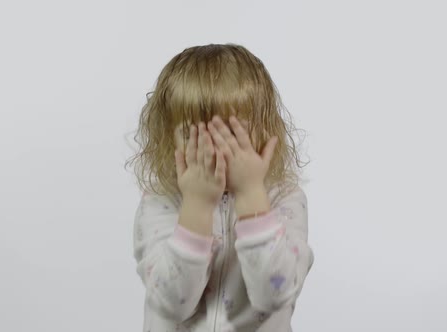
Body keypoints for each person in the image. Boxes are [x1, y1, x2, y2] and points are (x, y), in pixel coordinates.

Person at [127, 43, 314, 332]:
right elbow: (172, 303)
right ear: (168, 139)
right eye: (196, 135)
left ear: (266, 130)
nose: (216, 149)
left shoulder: (283, 199)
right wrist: (196, 208)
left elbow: (273, 295)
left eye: (231, 132)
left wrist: (252, 198)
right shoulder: (161, 201)